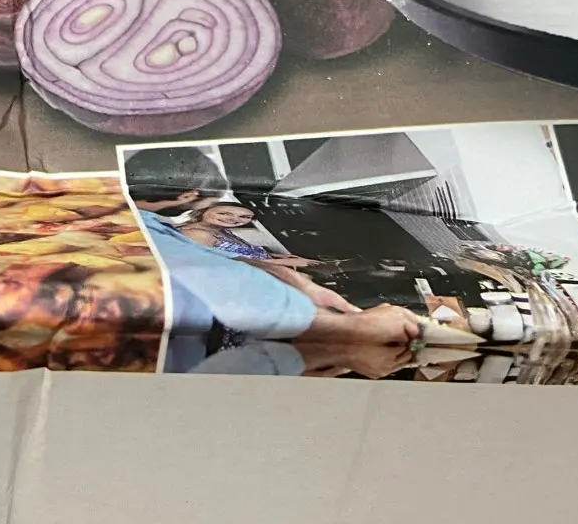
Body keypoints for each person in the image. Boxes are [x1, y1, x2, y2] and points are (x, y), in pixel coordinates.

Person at [125, 152, 424, 372]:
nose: (232, 219)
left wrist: (304, 284)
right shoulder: (172, 233)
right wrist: (349, 330)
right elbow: (225, 279)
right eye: (216, 207)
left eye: (241, 218)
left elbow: (239, 261)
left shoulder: (148, 226)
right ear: (188, 196)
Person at [174, 200, 358, 316]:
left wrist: (279, 256)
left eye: (245, 217)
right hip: (245, 285)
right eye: (224, 213)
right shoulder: (195, 234)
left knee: (332, 270)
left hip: (266, 271)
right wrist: (280, 263)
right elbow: (219, 266)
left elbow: (242, 252)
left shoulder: (218, 231)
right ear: (203, 211)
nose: (234, 219)